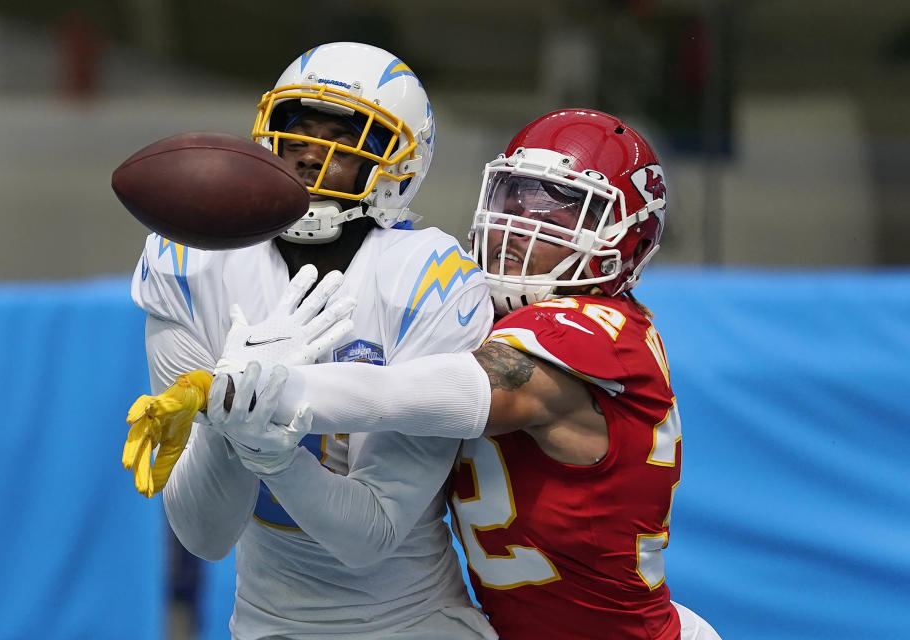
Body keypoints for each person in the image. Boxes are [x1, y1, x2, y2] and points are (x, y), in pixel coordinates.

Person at [211, 109, 722, 639]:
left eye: (557, 213)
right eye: (514, 199)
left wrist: (276, 387)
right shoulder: (493, 314)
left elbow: (456, 392)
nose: (516, 227)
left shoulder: (591, 330)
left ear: (624, 243)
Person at [124, 42, 497, 639]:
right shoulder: (190, 261)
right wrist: (230, 421)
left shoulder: (427, 278)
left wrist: (272, 450)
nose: (307, 161)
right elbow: (205, 533)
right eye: (296, 137)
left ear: (392, 168)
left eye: (339, 143)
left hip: (413, 623)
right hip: (264, 624)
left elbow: (369, 536)